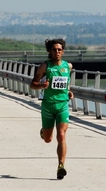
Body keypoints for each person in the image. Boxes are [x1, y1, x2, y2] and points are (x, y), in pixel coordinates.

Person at [30, 38, 74, 179]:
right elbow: (33, 84)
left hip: (62, 106)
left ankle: (61, 165)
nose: (57, 52)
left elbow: (66, 83)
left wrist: (68, 91)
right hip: (48, 106)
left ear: (63, 51)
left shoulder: (68, 66)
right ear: (49, 51)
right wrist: (42, 86)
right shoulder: (45, 67)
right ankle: (44, 131)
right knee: (48, 139)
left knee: (61, 135)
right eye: (54, 49)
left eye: (59, 50)